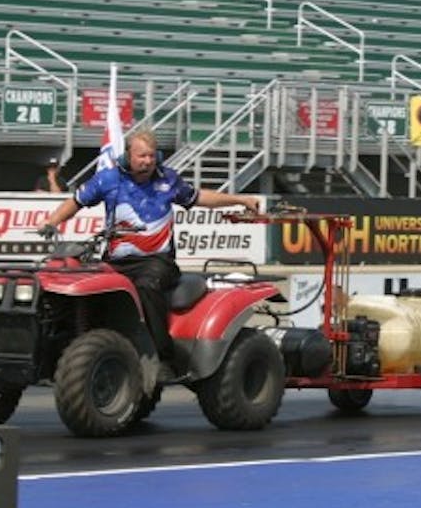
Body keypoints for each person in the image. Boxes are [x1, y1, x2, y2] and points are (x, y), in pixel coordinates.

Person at [37, 129, 259, 372]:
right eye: (142, 156)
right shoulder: (108, 179)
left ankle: (163, 358)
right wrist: (51, 222)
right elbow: (75, 202)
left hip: (158, 263)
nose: (147, 162)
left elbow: (200, 197)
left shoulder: (168, 179)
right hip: (115, 263)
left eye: (152, 156)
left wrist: (240, 200)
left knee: (146, 285)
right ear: (127, 157)